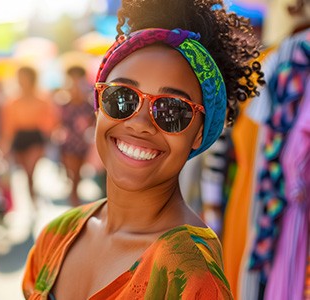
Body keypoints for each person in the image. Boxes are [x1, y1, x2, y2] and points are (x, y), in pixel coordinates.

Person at [22, 0, 263, 298]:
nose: (140, 123)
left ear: (199, 134)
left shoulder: (190, 276)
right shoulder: (56, 236)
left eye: (172, 110)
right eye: (121, 97)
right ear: (98, 107)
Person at [0, 66, 58, 206]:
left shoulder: (42, 98)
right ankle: (31, 198)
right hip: (20, 137)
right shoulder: (12, 101)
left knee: (31, 169)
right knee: (26, 172)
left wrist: (48, 134)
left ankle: (33, 197)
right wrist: (4, 145)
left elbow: (50, 119)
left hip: (35, 136)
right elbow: (9, 126)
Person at [57, 66, 96, 207]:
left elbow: (94, 121)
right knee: (73, 174)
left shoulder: (89, 102)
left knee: (77, 175)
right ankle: (74, 200)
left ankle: (74, 199)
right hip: (68, 143)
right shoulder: (63, 102)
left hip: (82, 143)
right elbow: (58, 123)